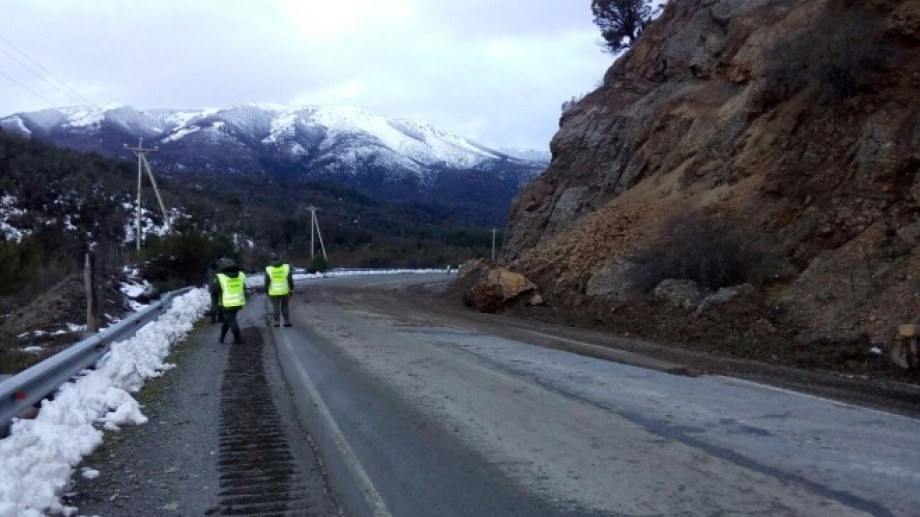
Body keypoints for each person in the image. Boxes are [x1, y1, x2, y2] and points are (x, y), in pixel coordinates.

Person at [213, 257, 246, 344]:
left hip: (228, 303)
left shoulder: (221, 277)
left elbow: (216, 289)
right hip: (238, 302)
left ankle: (238, 337)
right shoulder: (241, 275)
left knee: (231, 320)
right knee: (228, 319)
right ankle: (222, 337)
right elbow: (243, 287)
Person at [264, 254, 294, 327]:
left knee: (275, 307)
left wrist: (267, 291)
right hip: (284, 291)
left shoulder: (269, 269)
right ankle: (286, 321)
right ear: (280, 259)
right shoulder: (286, 267)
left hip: (273, 292)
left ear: (272, 261)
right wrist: (292, 289)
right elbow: (290, 280)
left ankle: (276, 322)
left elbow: (266, 282)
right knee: (285, 306)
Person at [207, 259, 224, 324]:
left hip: (212, 289)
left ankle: (213, 318)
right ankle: (220, 317)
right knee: (220, 302)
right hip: (219, 288)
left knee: (213, 303)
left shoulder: (209, 271)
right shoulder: (219, 270)